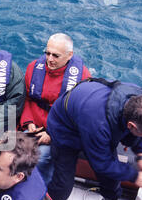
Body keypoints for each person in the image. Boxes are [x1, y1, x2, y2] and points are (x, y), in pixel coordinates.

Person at [46, 78, 142, 200]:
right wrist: (136, 176)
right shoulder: (99, 126)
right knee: (63, 185)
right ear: (131, 126)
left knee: (112, 179)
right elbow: (102, 164)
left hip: (96, 119)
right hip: (65, 129)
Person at [20, 33, 91, 185]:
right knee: (14, 151)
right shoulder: (33, 68)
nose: (50, 59)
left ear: (69, 55)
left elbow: (79, 116)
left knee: (40, 157)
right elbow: (27, 99)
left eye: (56, 56)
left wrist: (52, 134)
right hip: (34, 126)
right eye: (48, 53)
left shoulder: (82, 77)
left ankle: (40, 190)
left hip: (59, 131)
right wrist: (28, 122)